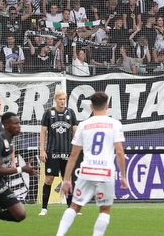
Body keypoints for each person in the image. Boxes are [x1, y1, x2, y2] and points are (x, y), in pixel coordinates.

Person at [55, 91, 128, 236]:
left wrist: (67, 179)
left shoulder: (83, 125)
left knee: (75, 206)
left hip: (86, 171)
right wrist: (123, 176)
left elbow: (74, 155)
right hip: (105, 173)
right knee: (105, 210)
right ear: (107, 106)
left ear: (91, 106)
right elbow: (119, 152)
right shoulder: (115, 124)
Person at [39, 89, 79, 216]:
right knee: (49, 179)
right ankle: (44, 208)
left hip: (67, 151)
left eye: (64, 99)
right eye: (60, 99)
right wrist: (42, 150)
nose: (62, 101)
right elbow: (43, 132)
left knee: (67, 179)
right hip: (52, 152)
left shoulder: (70, 113)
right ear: (55, 100)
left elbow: (75, 132)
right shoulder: (48, 114)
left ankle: (70, 207)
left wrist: (75, 148)